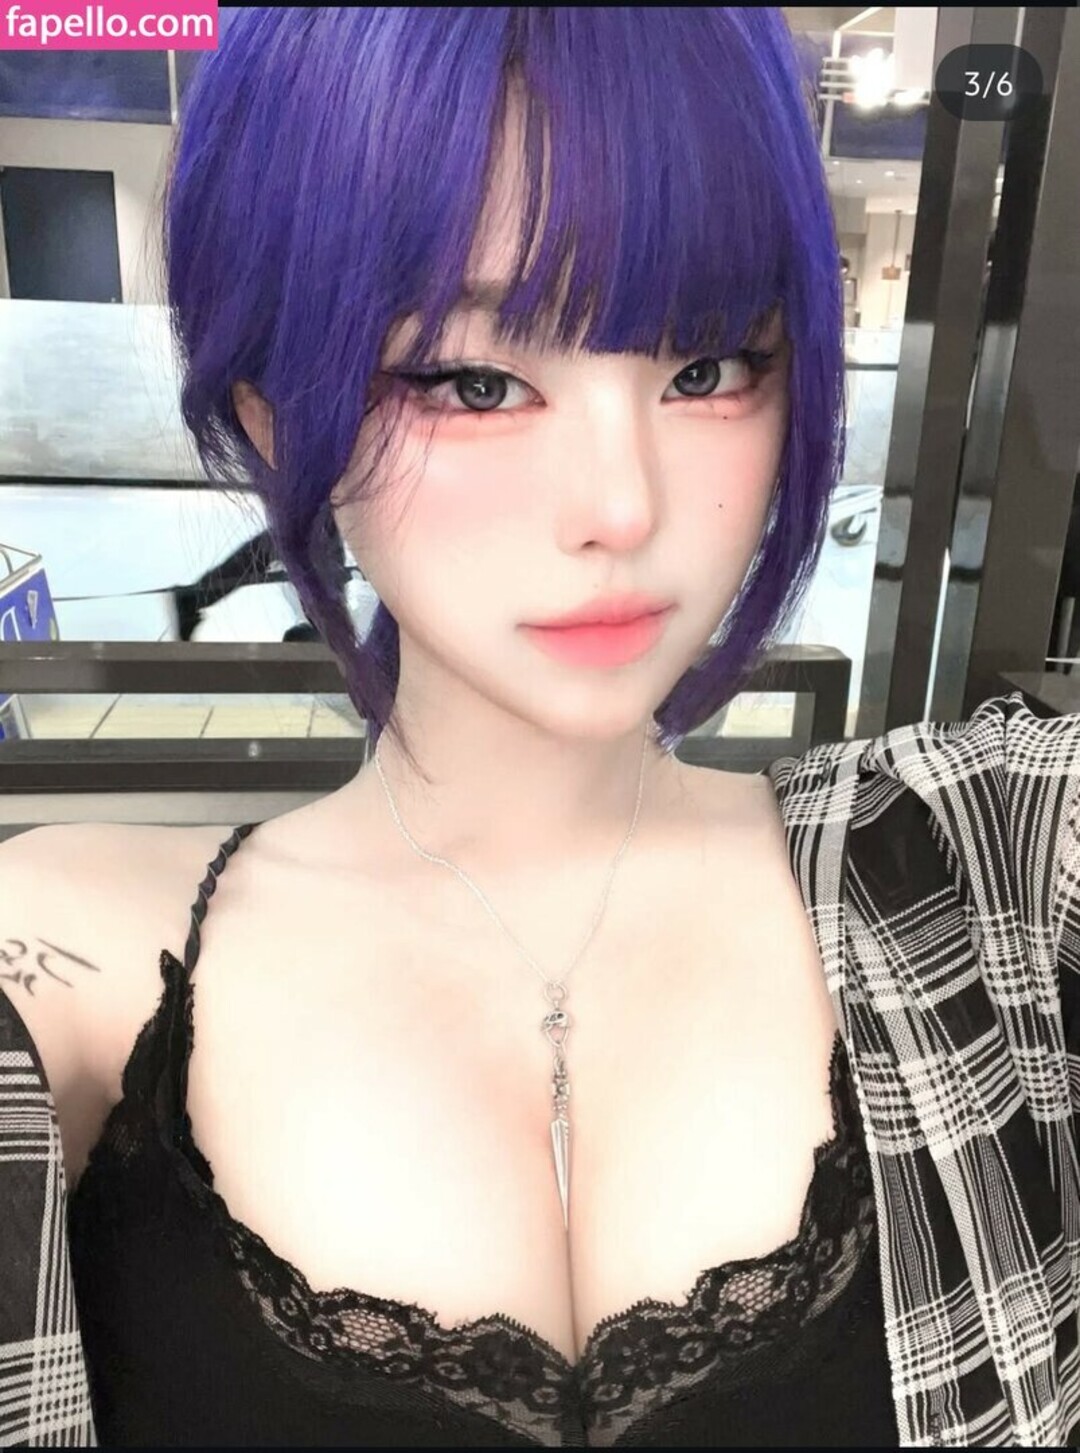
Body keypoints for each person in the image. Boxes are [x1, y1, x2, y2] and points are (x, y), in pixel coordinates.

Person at [1, 9, 1079, 1447]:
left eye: (708, 368)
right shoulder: (70, 958)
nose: (624, 506)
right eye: (477, 381)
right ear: (271, 412)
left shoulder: (985, 864)